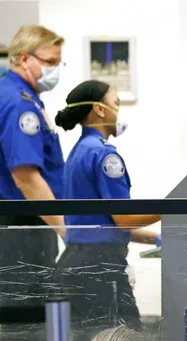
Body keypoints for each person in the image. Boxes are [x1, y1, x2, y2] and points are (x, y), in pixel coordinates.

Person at [52, 80, 161, 338]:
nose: (118, 112)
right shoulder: (104, 156)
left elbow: (99, 224)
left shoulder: (78, 153)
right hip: (100, 269)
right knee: (127, 335)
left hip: (75, 264)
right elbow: (123, 219)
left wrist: (156, 238)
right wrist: (174, 208)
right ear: (99, 110)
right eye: (116, 105)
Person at [0, 24, 65, 320]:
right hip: (22, 231)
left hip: (27, 227)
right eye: (50, 62)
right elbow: (26, 177)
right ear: (24, 59)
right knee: (26, 322)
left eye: (58, 63)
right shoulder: (18, 103)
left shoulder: (22, 95)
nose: (56, 69)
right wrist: (67, 230)